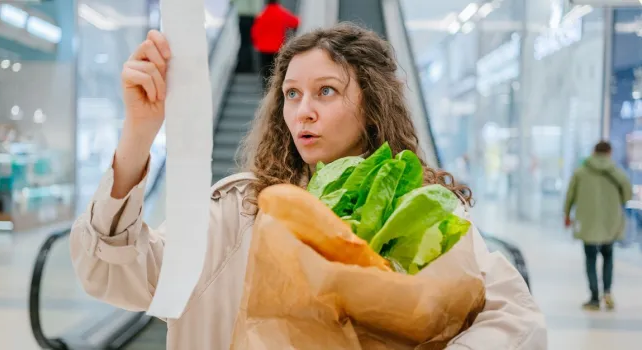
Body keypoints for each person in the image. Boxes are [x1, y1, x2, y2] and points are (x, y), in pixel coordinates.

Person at [69, 24, 547, 349]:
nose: (303, 111)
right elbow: (110, 271)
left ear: (373, 102)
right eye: (291, 94)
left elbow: (516, 318)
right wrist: (139, 132)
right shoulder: (242, 210)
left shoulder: (423, 209)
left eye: (326, 91)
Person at [565, 140, 632, 311]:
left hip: (588, 224)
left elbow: (570, 195)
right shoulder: (617, 173)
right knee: (608, 258)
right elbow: (627, 194)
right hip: (610, 224)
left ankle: (594, 298)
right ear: (609, 152)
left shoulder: (581, 172)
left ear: (594, 152)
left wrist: (567, 214)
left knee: (590, 259)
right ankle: (607, 292)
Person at [251, 0, 299, 90]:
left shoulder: (261, 15)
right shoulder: (281, 12)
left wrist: (257, 44)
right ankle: (276, 92)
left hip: (263, 49)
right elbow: (295, 21)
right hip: (277, 48)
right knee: (277, 73)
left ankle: (266, 92)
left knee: (265, 73)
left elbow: (255, 32)